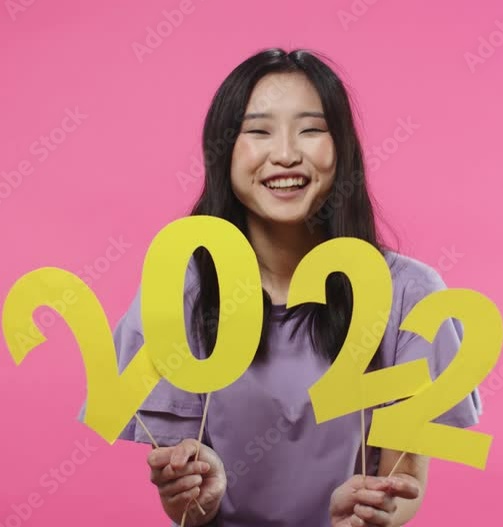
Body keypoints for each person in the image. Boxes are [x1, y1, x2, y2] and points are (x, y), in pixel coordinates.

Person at [82, 48, 482, 526]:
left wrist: (374, 513)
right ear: (223, 150)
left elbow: (406, 479)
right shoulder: (181, 290)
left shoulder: (410, 295)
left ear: (343, 148)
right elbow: (184, 504)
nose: (287, 153)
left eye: (311, 130)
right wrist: (195, 495)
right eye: (258, 131)